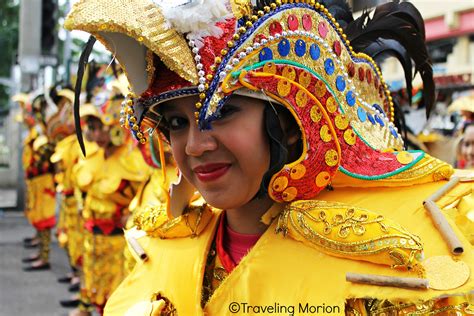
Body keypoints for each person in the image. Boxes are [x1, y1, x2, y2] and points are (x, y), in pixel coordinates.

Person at [66, 0, 473, 315]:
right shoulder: (159, 244)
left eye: (221, 111)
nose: (194, 145)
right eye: (175, 123)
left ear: (291, 118)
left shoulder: (400, 252)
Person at [69, 74, 151, 316]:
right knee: (94, 286)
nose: (92, 133)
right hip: (93, 235)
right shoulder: (92, 156)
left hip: (119, 242)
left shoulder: (134, 162)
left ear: (113, 126)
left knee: (116, 300)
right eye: (90, 128)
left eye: (96, 127)